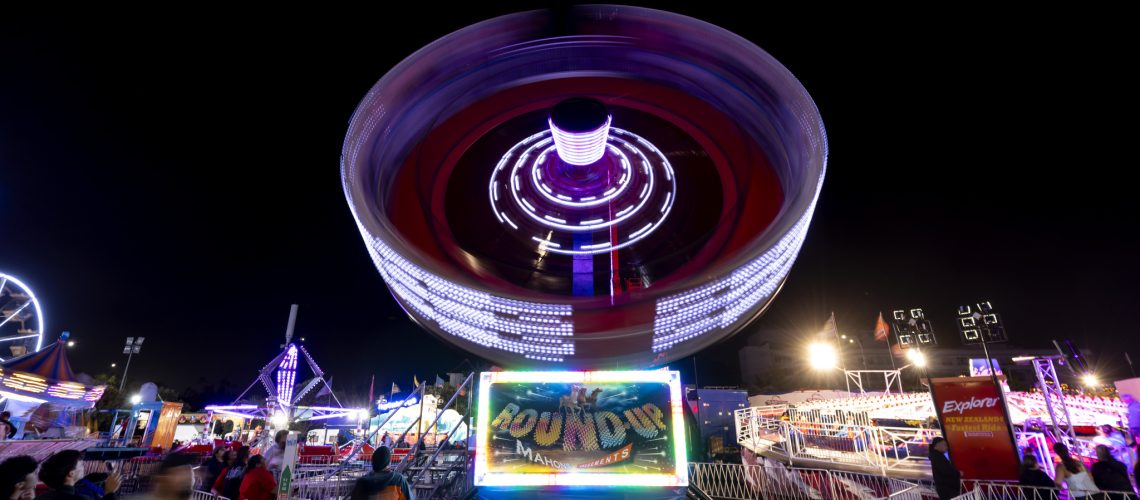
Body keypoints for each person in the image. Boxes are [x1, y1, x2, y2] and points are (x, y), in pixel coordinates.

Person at [35, 450, 121, 500]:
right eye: (81, 465)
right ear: (71, 474)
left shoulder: (41, 497)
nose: (83, 468)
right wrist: (110, 493)